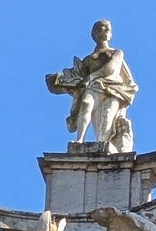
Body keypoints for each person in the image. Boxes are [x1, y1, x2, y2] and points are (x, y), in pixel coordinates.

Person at [45, 21, 138, 154]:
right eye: (102, 26)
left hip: (114, 88)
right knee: (86, 103)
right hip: (94, 86)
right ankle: (79, 141)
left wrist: (91, 77)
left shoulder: (117, 52)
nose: (106, 29)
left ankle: (102, 144)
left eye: (108, 28)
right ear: (94, 33)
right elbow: (75, 79)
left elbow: (110, 67)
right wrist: (57, 81)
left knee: (107, 114)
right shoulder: (87, 59)